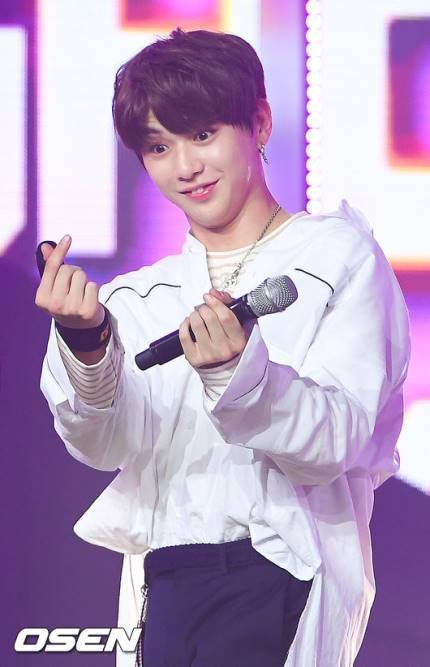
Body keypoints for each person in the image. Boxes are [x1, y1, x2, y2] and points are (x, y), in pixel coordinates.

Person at [36, 27, 411, 667]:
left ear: (259, 123)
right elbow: (103, 445)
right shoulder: (135, 299)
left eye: (203, 134)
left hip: (286, 569)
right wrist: (88, 344)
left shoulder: (336, 258)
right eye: (159, 146)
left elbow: (337, 439)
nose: (185, 166)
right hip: (166, 579)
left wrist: (241, 374)